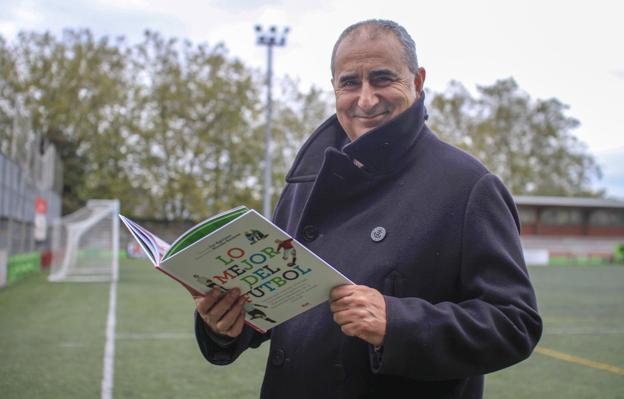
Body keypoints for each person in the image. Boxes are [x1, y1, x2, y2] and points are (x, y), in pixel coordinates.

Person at [193, 19, 542, 398]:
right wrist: (227, 323)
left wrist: (397, 323)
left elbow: (514, 323)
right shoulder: (306, 180)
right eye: (349, 83)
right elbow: (280, 302)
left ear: (418, 81)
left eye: (381, 79)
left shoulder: (468, 185)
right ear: (334, 88)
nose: (365, 99)